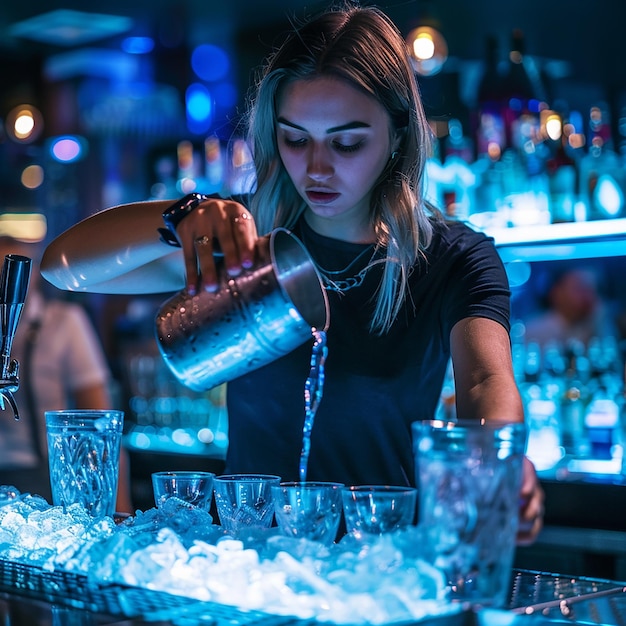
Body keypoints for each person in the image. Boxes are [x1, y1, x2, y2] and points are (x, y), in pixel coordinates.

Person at [40, 3, 543, 543]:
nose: (317, 167)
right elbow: (64, 267)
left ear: (399, 135)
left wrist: (500, 461)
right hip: (247, 566)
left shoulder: (452, 257)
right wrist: (182, 215)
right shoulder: (244, 236)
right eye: (295, 138)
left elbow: (485, 380)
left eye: (347, 142)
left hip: (378, 567)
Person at [0, 235, 133, 513]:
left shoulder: (65, 322)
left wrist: (120, 512)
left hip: (44, 480)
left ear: (33, 274)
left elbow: (100, 423)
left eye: (11, 271)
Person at [524, 266, 615, 349]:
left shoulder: (597, 322)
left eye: (592, 290)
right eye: (580, 289)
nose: (588, 296)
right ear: (557, 293)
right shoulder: (535, 330)